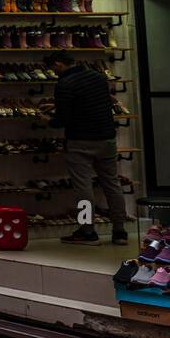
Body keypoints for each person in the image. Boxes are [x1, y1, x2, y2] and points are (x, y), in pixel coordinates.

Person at [44, 50, 128, 245]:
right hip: (106, 137)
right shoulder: (97, 77)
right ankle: (120, 230)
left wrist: (48, 120)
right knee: (112, 184)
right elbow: (93, 103)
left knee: (83, 187)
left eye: (53, 68)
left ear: (58, 64)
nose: (53, 73)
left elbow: (63, 118)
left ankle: (87, 230)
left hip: (80, 140)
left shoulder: (64, 83)